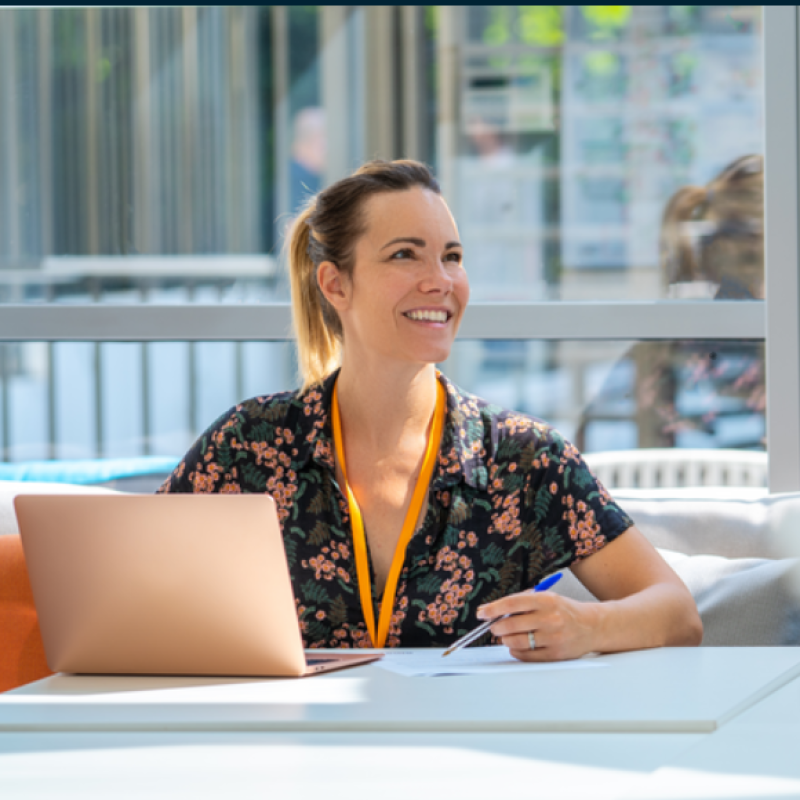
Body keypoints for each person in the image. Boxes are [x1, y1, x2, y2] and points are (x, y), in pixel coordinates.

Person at [158, 159, 702, 660]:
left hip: (464, 755)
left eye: (452, 257)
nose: (440, 281)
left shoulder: (524, 459)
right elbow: (128, 588)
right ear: (335, 284)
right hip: (288, 751)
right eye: (404, 254)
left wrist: (588, 626)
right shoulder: (249, 444)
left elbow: (676, 613)